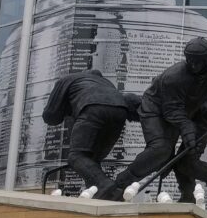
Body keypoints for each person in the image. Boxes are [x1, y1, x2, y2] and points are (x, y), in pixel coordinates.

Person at [105, 37, 207, 202]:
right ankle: (120, 186)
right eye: (190, 61)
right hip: (174, 110)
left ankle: (118, 187)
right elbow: (172, 112)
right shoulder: (173, 78)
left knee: (180, 158)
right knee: (168, 154)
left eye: (198, 62)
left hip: (203, 111)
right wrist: (186, 132)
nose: (193, 65)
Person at [42, 69, 141, 198]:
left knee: (76, 156)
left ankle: (104, 185)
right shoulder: (106, 83)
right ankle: (103, 194)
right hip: (120, 112)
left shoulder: (67, 79)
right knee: (92, 161)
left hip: (92, 108)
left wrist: (67, 110)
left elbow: (50, 116)